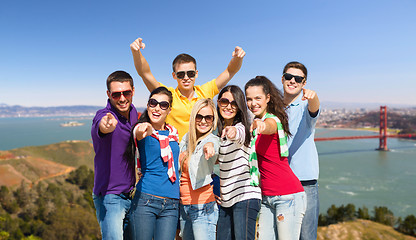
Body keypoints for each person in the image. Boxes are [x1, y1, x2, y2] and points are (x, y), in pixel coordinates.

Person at [130, 37, 246, 140]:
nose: (186, 78)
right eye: (181, 74)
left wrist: (238, 58)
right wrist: (136, 52)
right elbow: (145, 73)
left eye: (190, 73)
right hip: (176, 155)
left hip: (202, 155)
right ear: (174, 76)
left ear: (196, 74)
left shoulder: (205, 91)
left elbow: (230, 71)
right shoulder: (168, 95)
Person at [245, 76, 306, 240]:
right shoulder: (258, 121)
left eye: (258, 98)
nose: (253, 103)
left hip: (287, 196)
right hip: (267, 198)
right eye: (249, 99)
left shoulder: (271, 120)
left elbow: (270, 126)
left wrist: (262, 126)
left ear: (268, 98)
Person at [125, 86, 180, 240]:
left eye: (163, 105)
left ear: (169, 110)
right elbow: (139, 131)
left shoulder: (173, 134)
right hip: (146, 200)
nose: (157, 108)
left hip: (172, 203)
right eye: (153, 103)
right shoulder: (143, 130)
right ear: (148, 106)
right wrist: (144, 128)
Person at [91, 70, 138, 240]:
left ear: (133, 91)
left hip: (133, 195)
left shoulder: (134, 113)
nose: (122, 98)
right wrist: (106, 126)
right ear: (108, 95)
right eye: (116, 94)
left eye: (126, 92)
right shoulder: (104, 116)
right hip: (110, 197)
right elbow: (102, 126)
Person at [215, 85, 262, 240]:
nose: (229, 106)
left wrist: (233, 132)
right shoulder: (218, 132)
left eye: (234, 103)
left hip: (245, 196)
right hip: (227, 200)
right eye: (224, 101)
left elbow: (239, 134)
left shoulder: (240, 127)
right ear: (218, 102)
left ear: (240, 107)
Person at [281, 61, 320, 240]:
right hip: (280, 182)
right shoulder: (274, 110)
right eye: (289, 77)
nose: (293, 81)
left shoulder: (306, 107)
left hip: (305, 183)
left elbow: (314, 108)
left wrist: (313, 97)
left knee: (306, 236)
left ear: (304, 83)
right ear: (282, 79)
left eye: (298, 78)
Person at [179, 98, 220, 240]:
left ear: (213, 119)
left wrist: (209, 146)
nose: (203, 121)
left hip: (203, 207)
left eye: (208, 117)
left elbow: (214, 144)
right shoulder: (186, 139)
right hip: (184, 206)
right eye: (199, 116)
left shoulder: (211, 139)